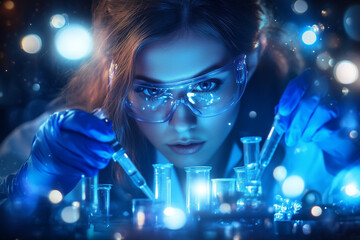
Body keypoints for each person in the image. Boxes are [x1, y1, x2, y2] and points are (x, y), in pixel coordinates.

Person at [1, 0, 359, 221]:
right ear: (114, 76)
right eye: (150, 90)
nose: (182, 122)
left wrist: (349, 158)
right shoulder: (52, 146)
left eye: (206, 85)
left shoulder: (308, 143)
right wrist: (29, 186)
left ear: (249, 59)